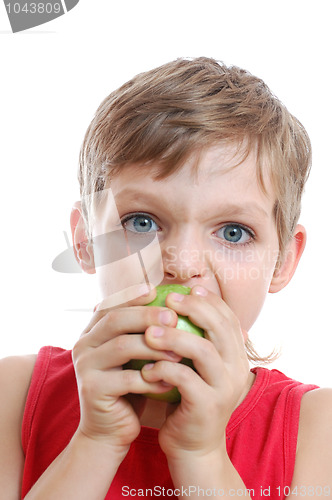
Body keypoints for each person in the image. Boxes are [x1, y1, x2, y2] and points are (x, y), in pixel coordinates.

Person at [1, 57, 331, 500]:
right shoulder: (15, 395)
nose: (182, 263)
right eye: (141, 222)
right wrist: (95, 442)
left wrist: (202, 455)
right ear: (86, 241)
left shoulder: (315, 428)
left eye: (233, 232)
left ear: (283, 261)